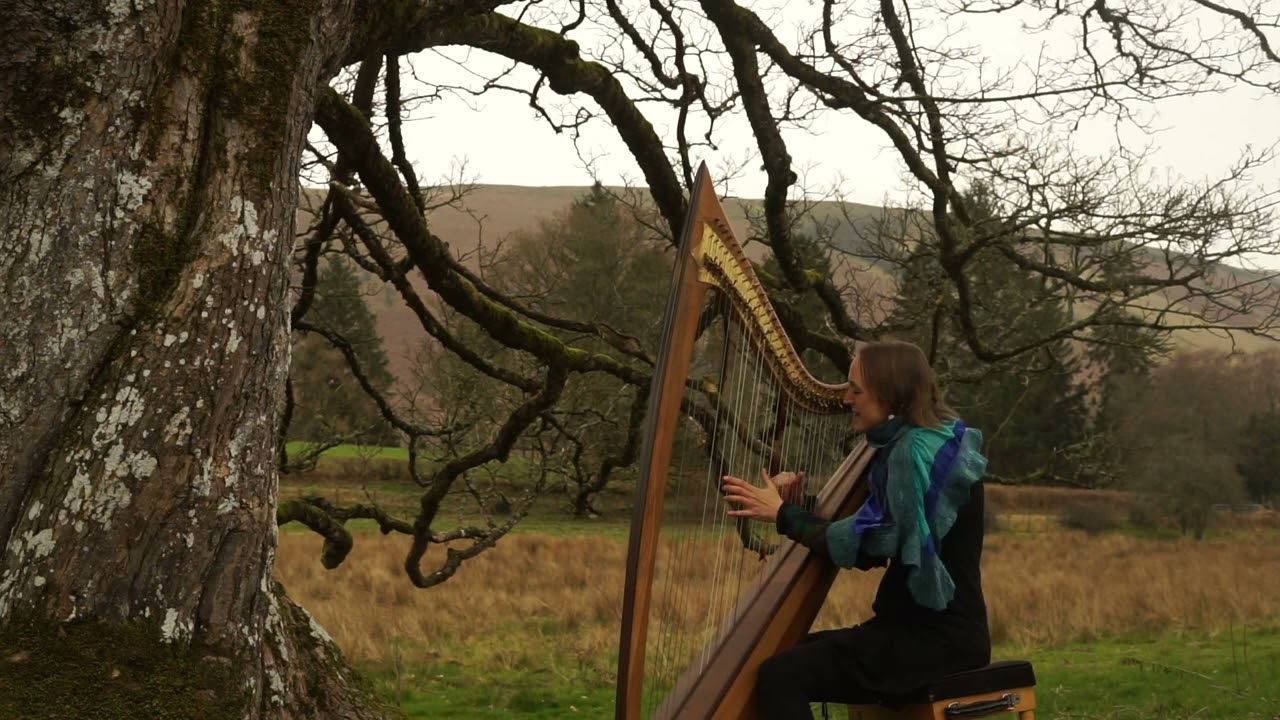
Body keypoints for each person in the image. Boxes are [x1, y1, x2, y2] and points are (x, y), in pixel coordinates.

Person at [721, 340, 990, 719]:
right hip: (937, 634)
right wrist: (801, 506)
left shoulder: (912, 454)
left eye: (856, 390)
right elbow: (879, 520)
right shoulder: (935, 442)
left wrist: (785, 516)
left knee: (781, 674)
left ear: (891, 395)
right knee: (781, 658)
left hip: (932, 642)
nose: (846, 399)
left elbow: (868, 546)